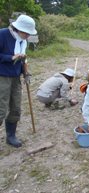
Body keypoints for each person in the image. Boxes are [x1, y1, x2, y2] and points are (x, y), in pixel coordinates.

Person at [0, 15, 37, 148]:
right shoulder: (3, 34)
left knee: (16, 107)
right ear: (18, 29)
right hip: (2, 76)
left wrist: (25, 72)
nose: (27, 36)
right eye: (26, 33)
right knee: (1, 109)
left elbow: (24, 59)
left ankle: (11, 136)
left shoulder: (23, 40)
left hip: (16, 77)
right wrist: (11, 57)